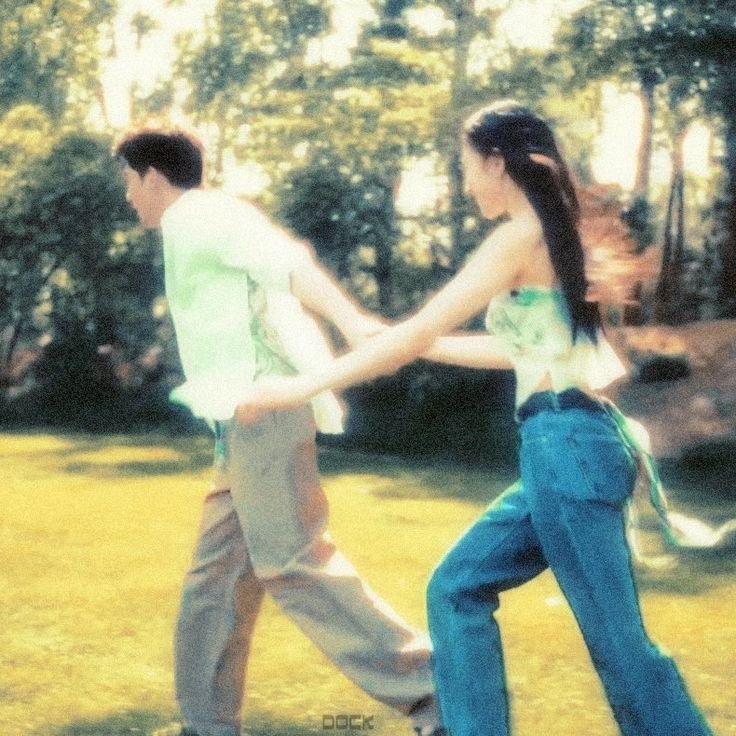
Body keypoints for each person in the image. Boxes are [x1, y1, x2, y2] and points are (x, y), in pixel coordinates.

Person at [234, 102, 715, 736]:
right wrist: (418, 343)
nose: (465, 185)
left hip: (569, 448)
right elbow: (517, 349)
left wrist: (301, 385)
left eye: (466, 168)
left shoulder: (520, 235)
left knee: (620, 649)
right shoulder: (548, 234)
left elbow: (422, 328)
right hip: (567, 446)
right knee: (456, 587)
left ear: (496, 163)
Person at [114, 128, 442, 736]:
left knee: (294, 564)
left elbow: (288, 263)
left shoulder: (202, 214)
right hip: (238, 421)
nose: (128, 196)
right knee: (214, 580)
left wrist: (352, 320)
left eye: (129, 181)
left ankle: (441, 697)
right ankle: (207, 724)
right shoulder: (192, 224)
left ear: (152, 176)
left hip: (265, 409)